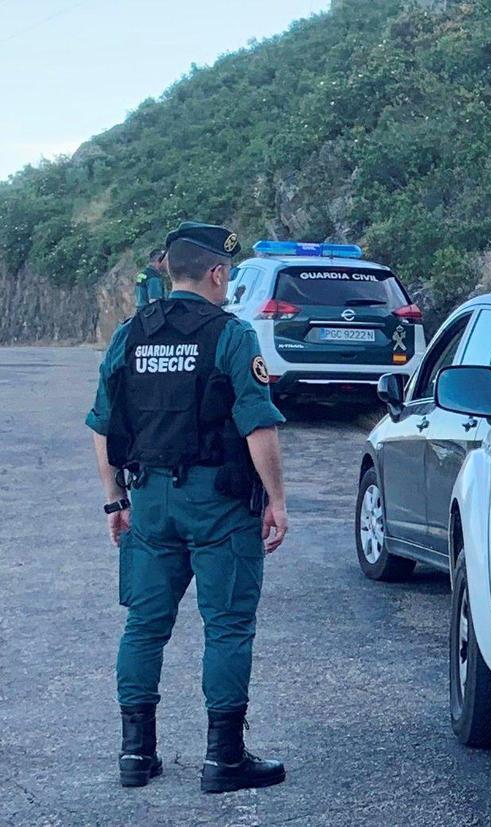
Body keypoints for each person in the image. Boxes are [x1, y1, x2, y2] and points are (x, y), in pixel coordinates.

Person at [86, 221, 289, 793]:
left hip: (149, 500)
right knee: (227, 627)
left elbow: (103, 427)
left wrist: (113, 502)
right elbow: (258, 427)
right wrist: (276, 500)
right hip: (219, 504)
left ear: (169, 273)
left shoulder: (130, 335)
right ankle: (224, 760)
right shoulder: (231, 335)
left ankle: (135, 755)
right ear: (218, 273)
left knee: (145, 626)